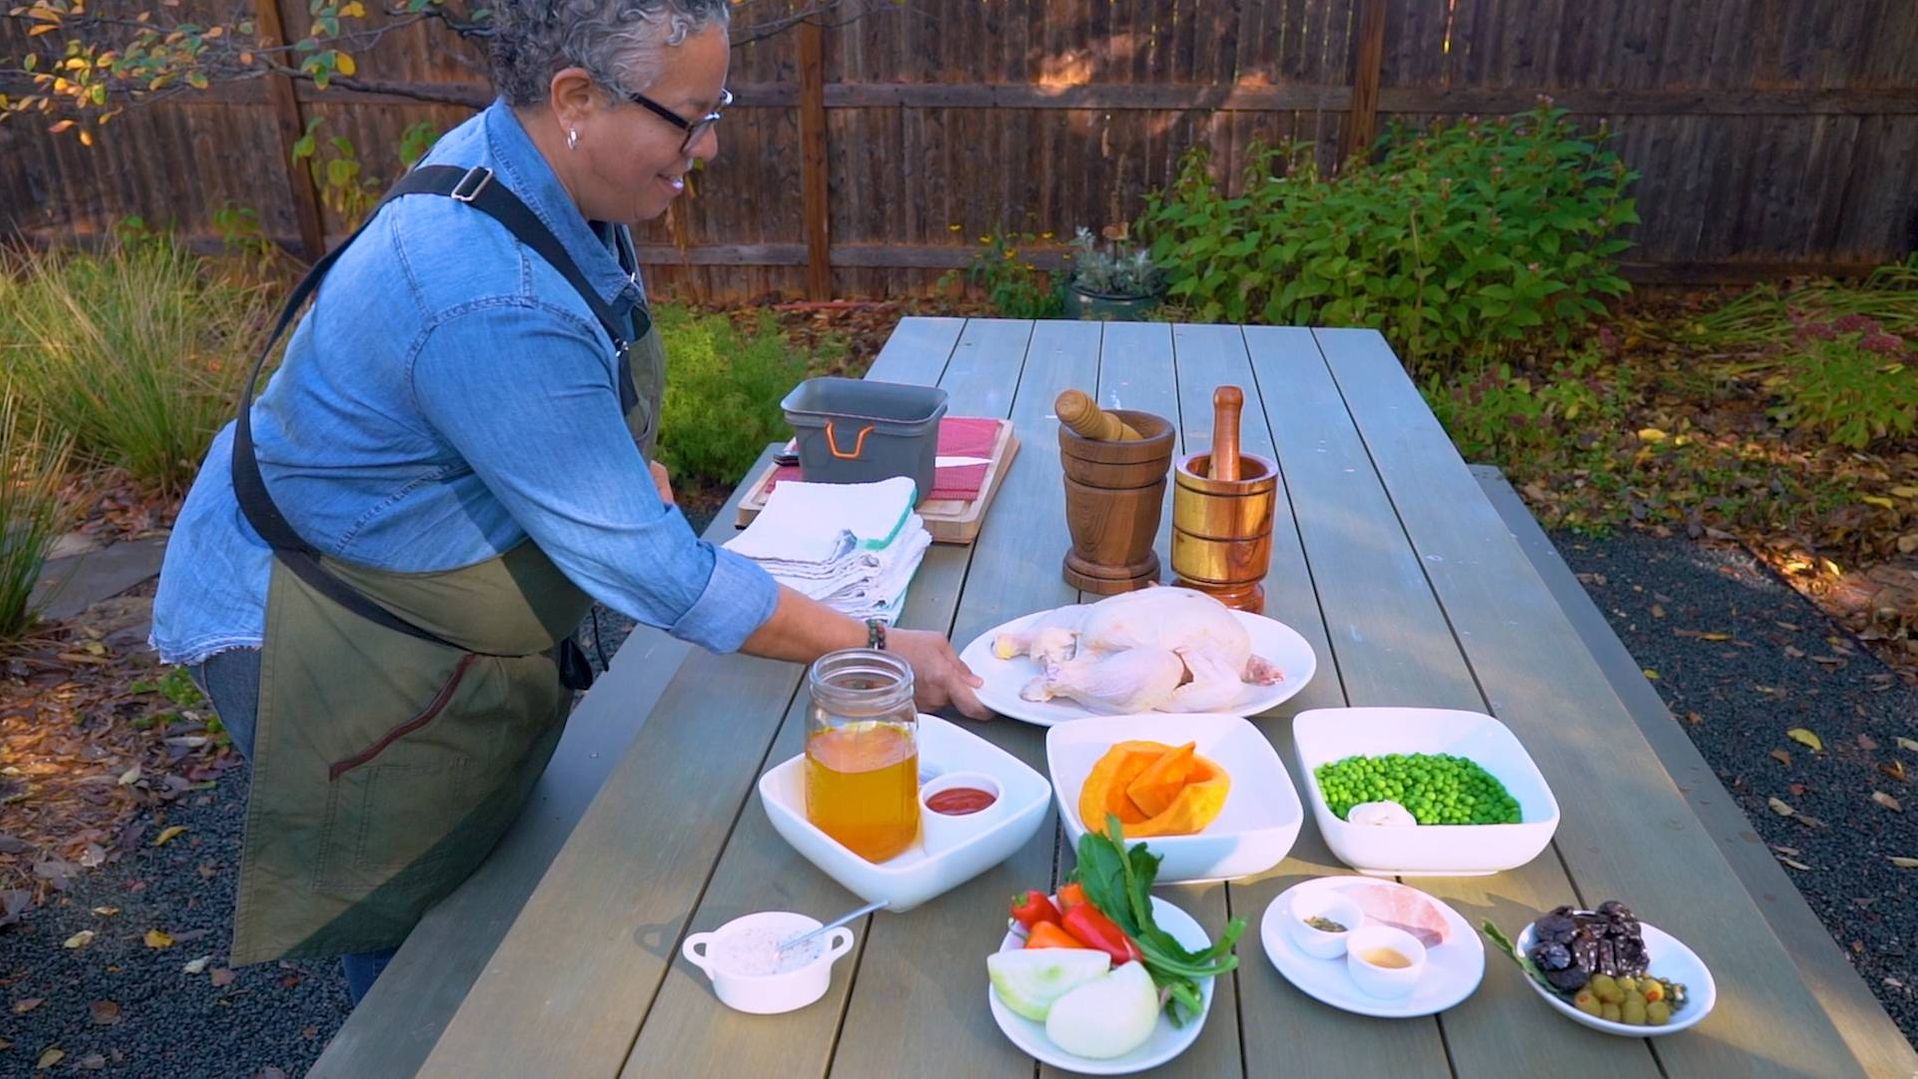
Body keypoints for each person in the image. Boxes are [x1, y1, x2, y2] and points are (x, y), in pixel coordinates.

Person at [149, 0, 985, 1006]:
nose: (708, 145)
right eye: (687, 116)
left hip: (414, 575)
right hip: (310, 611)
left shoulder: (558, 179)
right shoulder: (484, 289)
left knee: (489, 841)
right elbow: (659, 575)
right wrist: (882, 647)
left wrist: (629, 477)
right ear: (576, 96)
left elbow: (589, 398)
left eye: (716, 107)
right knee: (409, 882)